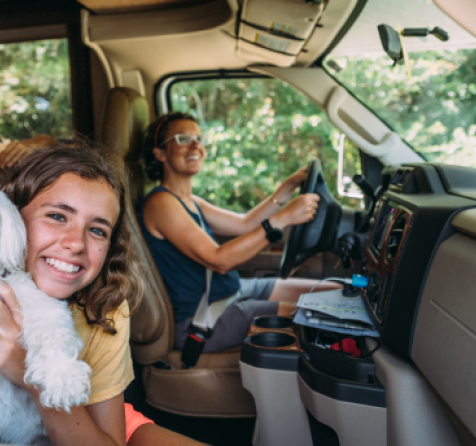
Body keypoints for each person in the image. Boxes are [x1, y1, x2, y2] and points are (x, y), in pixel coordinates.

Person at [0, 142, 240, 446]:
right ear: (11, 217)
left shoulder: (105, 307)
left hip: (91, 422)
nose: (75, 243)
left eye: (98, 230)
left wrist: (30, 377)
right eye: (57, 216)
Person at [140, 112, 341, 353]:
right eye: (183, 138)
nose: (196, 145)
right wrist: (284, 218)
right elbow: (219, 260)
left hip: (232, 291)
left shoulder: (190, 201)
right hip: (204, 317)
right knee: (321, 313)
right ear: (160, 153)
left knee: (334, 291)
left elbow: (245, 223)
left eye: (199, 138)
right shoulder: (160, 203)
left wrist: (287, 187)